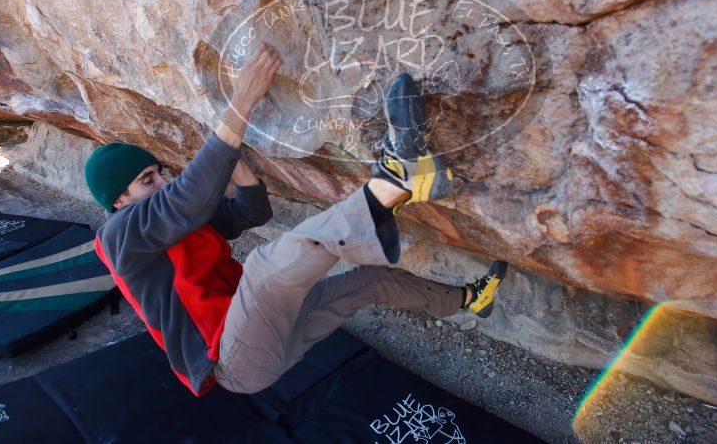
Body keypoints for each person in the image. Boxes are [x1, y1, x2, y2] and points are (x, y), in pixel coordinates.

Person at [83, 42, 508, 397]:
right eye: (146, 180)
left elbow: (252, 212)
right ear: (118, 201)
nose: (161, 182)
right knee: (268, 266)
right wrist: (243, 100)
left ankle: (471, 299)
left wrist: (237, 165)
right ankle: (397, 181)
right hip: (233, 357)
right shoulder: (119, 237)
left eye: (159, 173)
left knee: (370, 280)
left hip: (268, 336)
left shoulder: (175, 229)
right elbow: (186, 199)